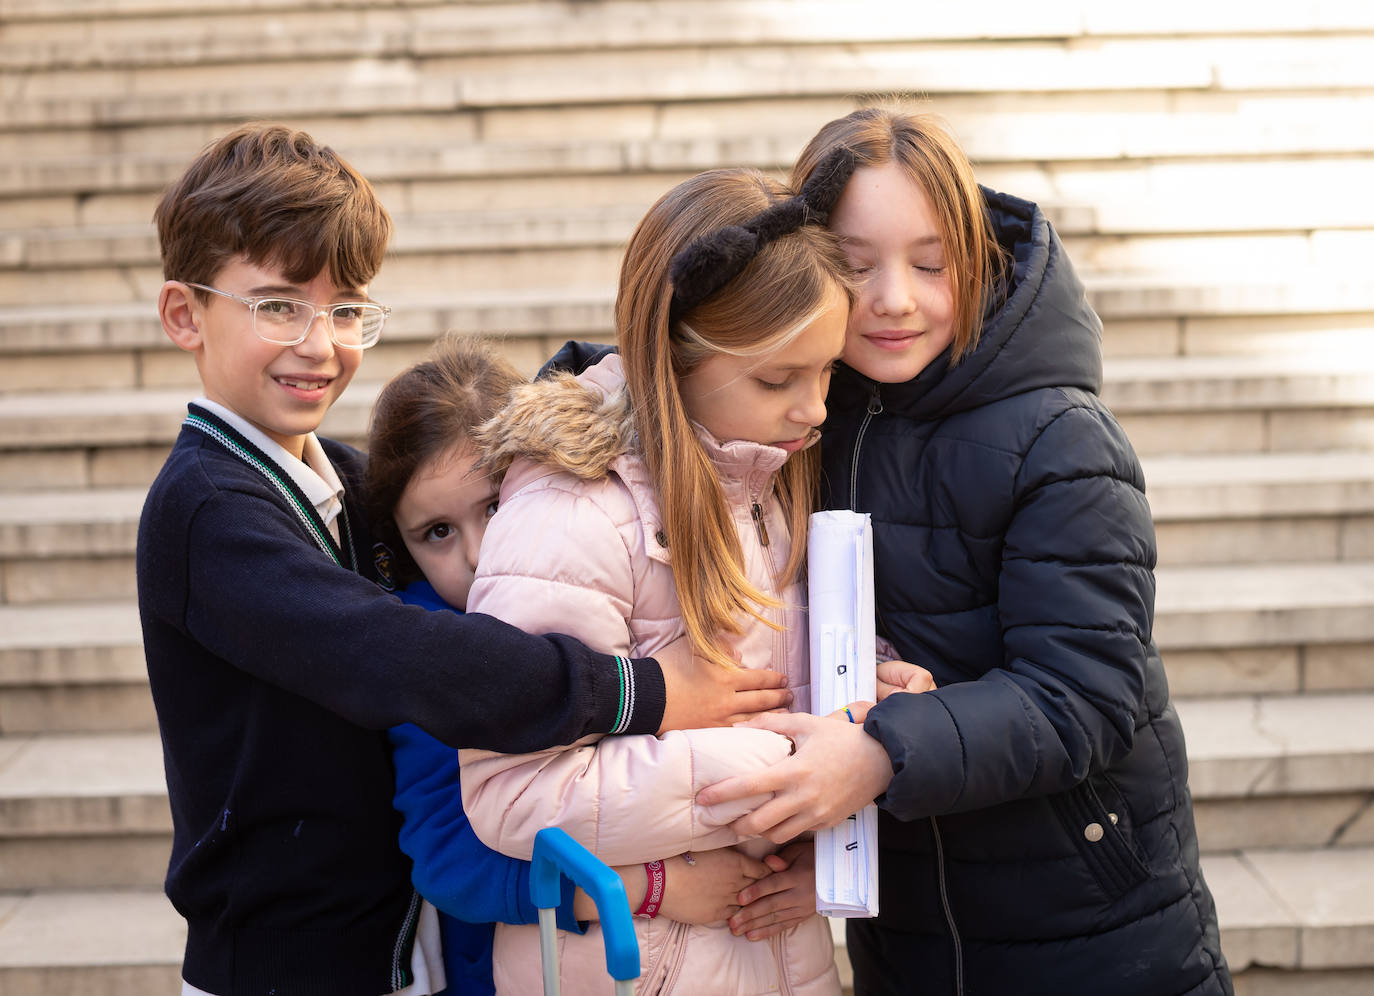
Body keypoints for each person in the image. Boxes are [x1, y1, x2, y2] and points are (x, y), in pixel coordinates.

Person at [136, 123, 792, 996]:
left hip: (398, 951)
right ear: (186, 314)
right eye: (278, 305)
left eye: (344, 308)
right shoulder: (208, 509)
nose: (320, 343)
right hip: (283, 967)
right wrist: (643, 689)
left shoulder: (351, 488)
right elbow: (396, 655)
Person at [698, 107, 1234, 996]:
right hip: (909, 926)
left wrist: (879, 753)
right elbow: (679, 357)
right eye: (853, 266)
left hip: (1088, 925)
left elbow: (1084, 695)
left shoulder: (1061, 438)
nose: (894, 298)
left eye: (930, 263)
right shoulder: (809, 419)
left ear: (976, 260)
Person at [455, 159, 862, 995]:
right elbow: (509, 792)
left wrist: (868, 693)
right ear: (673, 359)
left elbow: (763, 676)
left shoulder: (764, 477)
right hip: (631, 963)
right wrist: (769, 766)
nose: (815, 408)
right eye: (777, 379)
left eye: (827, 372)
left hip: (772, 954)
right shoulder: (572, 515)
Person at [364, 334, 783, 995]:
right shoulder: (431, 652)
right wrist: (647, 887)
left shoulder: (588, 570)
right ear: (403, 547)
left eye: (496, 508)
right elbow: (449, 855)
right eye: (437, 532)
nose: (478, 554)